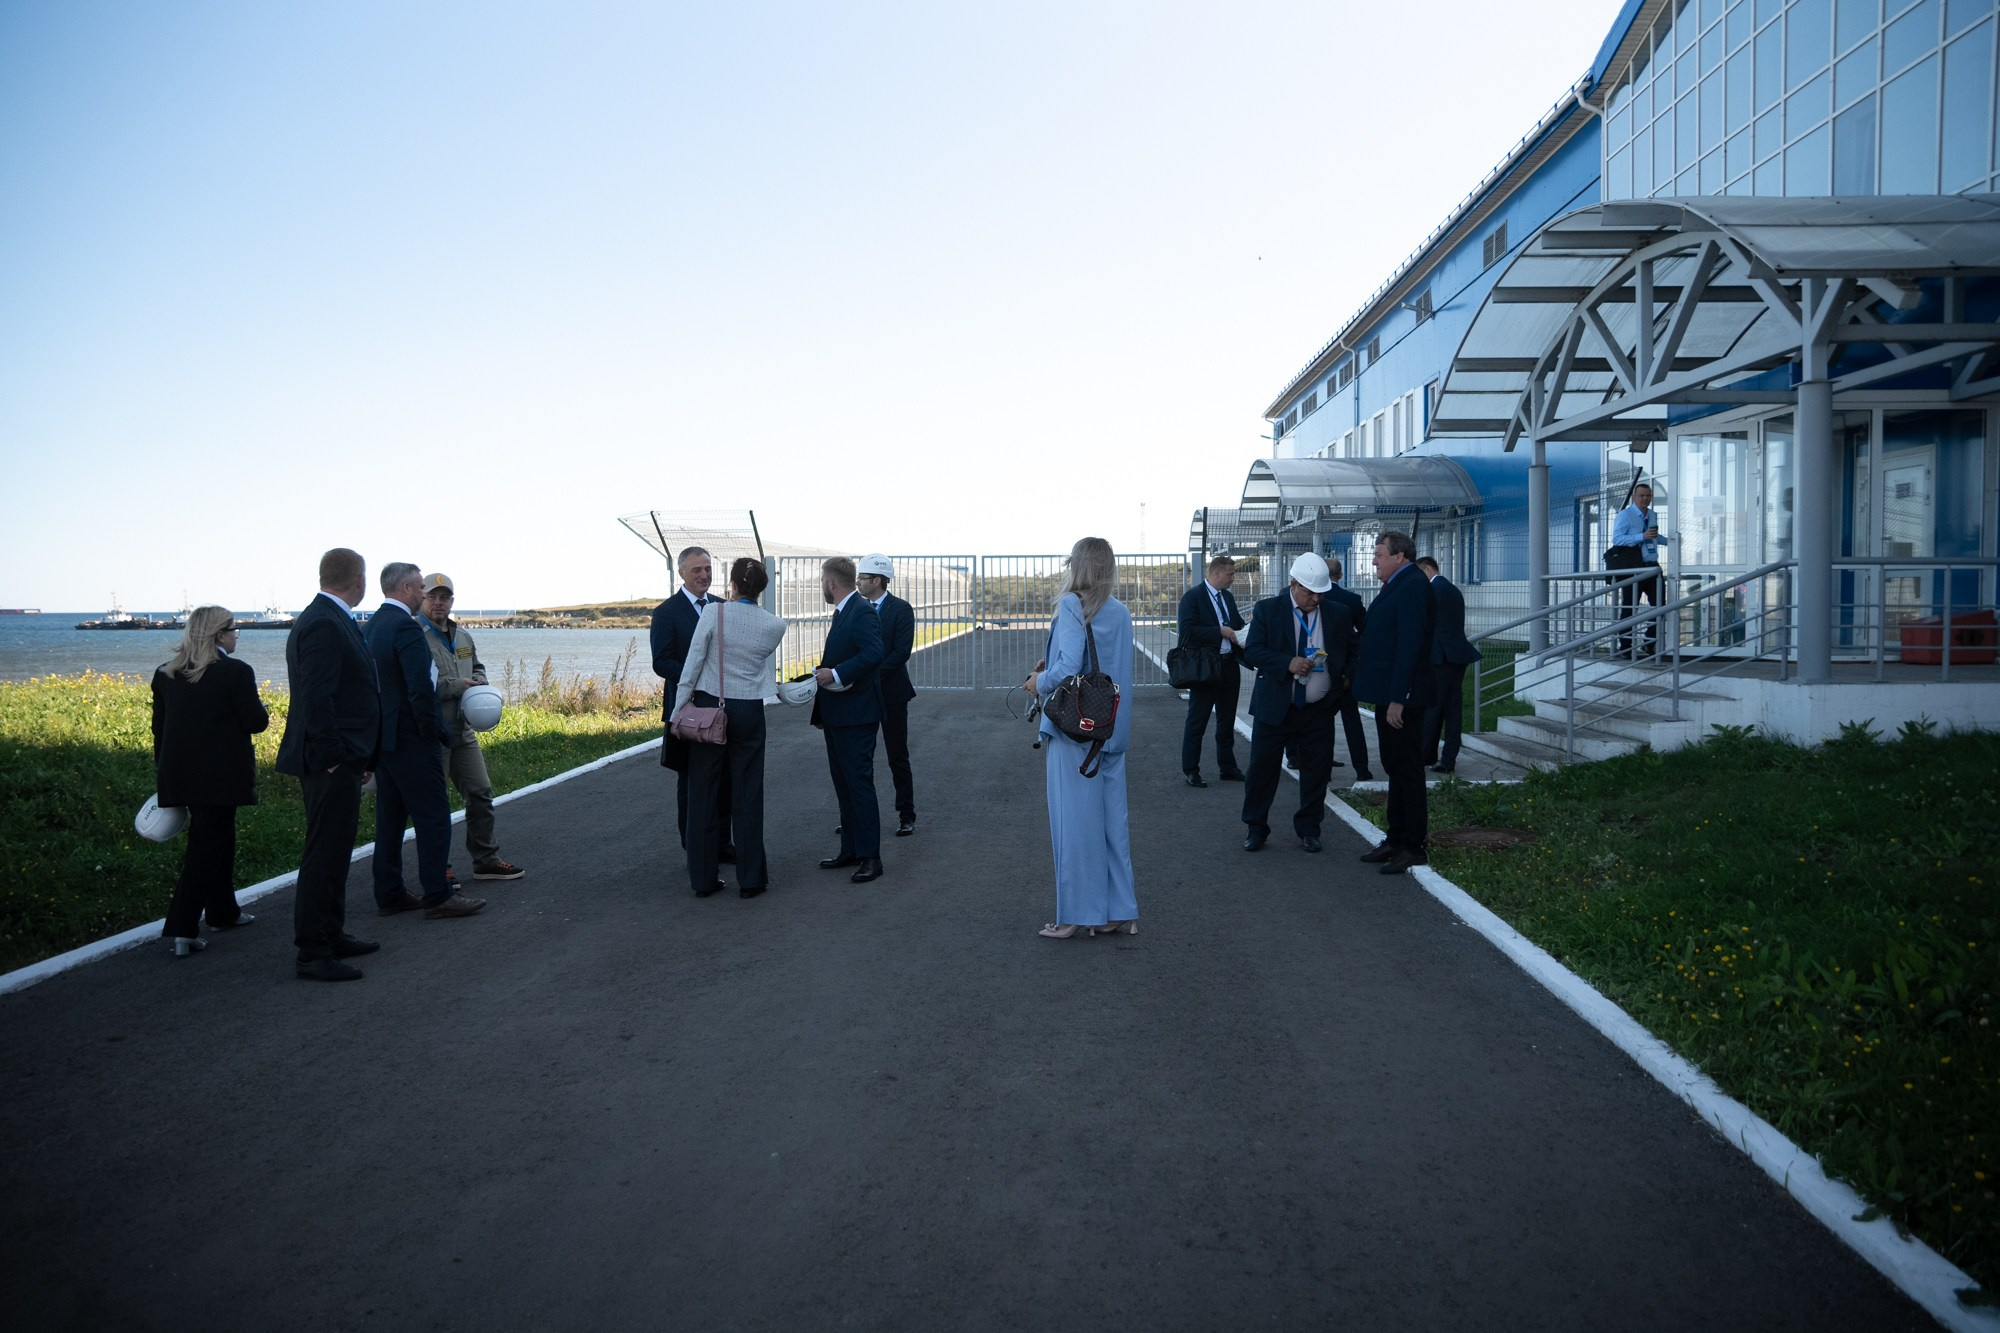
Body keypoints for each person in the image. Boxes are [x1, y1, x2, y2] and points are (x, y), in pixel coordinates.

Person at [274, 548, 383, 982]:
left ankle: (331, 933)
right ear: (357, 580)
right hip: (329, 761)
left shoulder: (326, 616)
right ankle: (313, 951)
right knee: (324, 854)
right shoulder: (322, 621)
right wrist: (336, 757)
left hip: (345, 757)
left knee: (337, 850)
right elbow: (317, 698)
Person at [1026, 538, 1138, 938]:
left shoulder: (1074, 604)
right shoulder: (1121, 612)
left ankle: (1074, 915)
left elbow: (1070, 665)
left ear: (1078, 565)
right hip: (1111, 729)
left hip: (1076, 732)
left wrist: (1040, 680)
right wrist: (1054, 662)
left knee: (1072, 826)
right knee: (1112, 826)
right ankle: (1121, 910)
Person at [365, 561, 485, 920]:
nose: (422, 593)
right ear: (405, 589)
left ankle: (389, 893)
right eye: (419, 588)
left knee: (390, 819)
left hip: (385, 740)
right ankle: (438, 894)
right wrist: (433, 731)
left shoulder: (371, 627)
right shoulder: (406, 628)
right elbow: (420, 688)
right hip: (413, 740)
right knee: (433, 816)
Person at [150, 606, 270, 957]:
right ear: (219, 635)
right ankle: (182, 928)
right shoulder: (235, 672)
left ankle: (222, 911)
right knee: (205, 847)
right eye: (234, 630)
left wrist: (163, 775)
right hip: (220, 777)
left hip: (178, 773)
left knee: (219, 839)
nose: (236, 635)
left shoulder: (165, 674)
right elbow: (256, 723)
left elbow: (160, 729)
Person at [673, 558, 788, 899]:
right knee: (748, 794)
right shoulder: (775, 625)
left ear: (733, 585)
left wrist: (679, 708)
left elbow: (693, 664)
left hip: (711, 708)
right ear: (762, 588)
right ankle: (751, 879)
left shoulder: (714, 613)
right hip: (750, 710)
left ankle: (704, 879)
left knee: (703, 795)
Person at [1238, 552, 1353, 854]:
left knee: (1316, 772)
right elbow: (1252, 652)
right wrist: (1286, 663)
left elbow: (1352, 651)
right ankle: (1255, 827)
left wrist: (1342, 686)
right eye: (1310, 592)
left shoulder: (1338, 614)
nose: (1315, 599)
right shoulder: (1268, 610)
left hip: (1318, 710)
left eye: (1321, 593)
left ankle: (1309, 828)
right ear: (1293, 584)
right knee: (1262, 771)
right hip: (1275, 708)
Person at [418, 573, 524, 882]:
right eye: (432, 596)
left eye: (445, 597)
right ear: (421, 598)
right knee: (436, 804)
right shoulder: (414, 634)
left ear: (452, 600)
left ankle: (486, 860)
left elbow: (476, 665)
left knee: (480, 792)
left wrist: (480, 682)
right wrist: (454, 686)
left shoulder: (462, 636)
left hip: (463, 729)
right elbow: (416, 684)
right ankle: (440, 868)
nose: (439, 602)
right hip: (434, 731)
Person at [1352, 531, 1437, 875]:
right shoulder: (1399, 584)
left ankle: (1413, 846)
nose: (1374, 560)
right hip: (1389, 695)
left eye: (1378, 554)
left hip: (1403, 698)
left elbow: (1410, 647)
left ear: (1399, 556)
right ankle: (1395, 838)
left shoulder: (1413, 586)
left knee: (1407, 770)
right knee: (1394, 767)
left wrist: (1399, 698)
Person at [651, 546, 732, 864]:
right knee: (690, 780)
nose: (704, 575)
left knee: (723, 780)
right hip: (686, 711)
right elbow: (661, 661)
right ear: (682, 573)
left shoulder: (723, 608)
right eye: (697, 570)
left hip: (722, 711)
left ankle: (723, 844)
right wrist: (697, 678)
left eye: (708, 569)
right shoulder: (667, 612)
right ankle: (694, 846)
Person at [811, 556, 886, 883]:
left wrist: (836, 673)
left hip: (856, 716)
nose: (821, 586)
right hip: (838, 714)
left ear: (830, 582)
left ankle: (871, 857)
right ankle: (851, 849)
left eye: (821, 581)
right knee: (844, 785)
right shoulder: (845, 611)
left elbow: (873, 652)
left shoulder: (862, 611)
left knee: (859, 784)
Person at [856, 553, 918, 837]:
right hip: (861, 694)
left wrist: (868, 673)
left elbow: (901, 652)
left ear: (877, 581)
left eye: (862, 578)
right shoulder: (855, 608)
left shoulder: (901, 609)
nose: (857, 582)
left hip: (891, 692)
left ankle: (906, 815)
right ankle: (855, 815)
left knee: (897, 755)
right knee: (859, 756)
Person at [1175, 554, 1247, 787]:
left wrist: (1246, 631)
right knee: (1198, 721)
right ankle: (1191, 770)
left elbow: (1236, 624)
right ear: (1216, 573)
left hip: (1228, 666)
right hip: (1205, 668)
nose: (1233, 578)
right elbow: (1186, 632)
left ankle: (1227, 767)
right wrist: (1219, 631)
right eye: (1230, 574)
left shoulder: (1227, 597)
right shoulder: (1192, 598)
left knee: (1227, 721)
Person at [1417, 557, 1482, 775]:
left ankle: (1425, 754)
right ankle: (1448, 759)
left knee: (1432, 707)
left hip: (1440, 656)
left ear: (1427, 569)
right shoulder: (1452, 589)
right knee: (1453, 709)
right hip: (1456, 655)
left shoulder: (1433, 590)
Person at [1324, 555, 1374, 781]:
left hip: (1317, 670)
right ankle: (1362, 769)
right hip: (1345, 670)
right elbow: (1364, 632)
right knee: (1351, 720)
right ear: (1340, 575)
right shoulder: (1351, 600)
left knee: (1319, 722)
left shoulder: (1314, 597)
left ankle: (1318, 765)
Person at [1608, 482, 1663, 657]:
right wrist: (1641, 536)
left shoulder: (1652, 514)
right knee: (1630, 607)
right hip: (1633, 567)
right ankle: (1625, 647)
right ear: (1634, 497)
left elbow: (1653, 536)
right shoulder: (1626, 515)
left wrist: (1672, 541)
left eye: (1648, 496)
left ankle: (1649, 643)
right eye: (1642, 496)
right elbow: (1617, 539)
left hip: (1652, 567)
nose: (1646, 499)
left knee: (1660, 606)